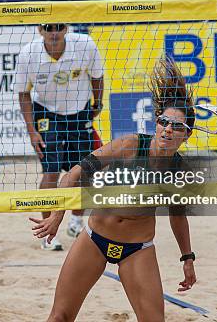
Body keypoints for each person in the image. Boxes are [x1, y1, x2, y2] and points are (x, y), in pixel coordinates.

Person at [30, 57, 201, 321]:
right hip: (95, 239)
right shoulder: (130, 145)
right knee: (60, 317)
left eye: (176, 126)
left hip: (137, 248)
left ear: (186, 134)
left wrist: (187, 257)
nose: (167, 130)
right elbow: (74, 174)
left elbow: (178, 216)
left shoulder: (179, 171)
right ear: (156, 122)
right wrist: (57, 215)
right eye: (163, 122)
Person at [15, 23, 104, 251]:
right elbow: (24, 93)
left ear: (67, 29)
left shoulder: (85, 45)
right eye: (48, 28)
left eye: (59, 27)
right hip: (46, 112)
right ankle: (47, 232)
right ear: (39, 30)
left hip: (79, 110)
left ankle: (76, 220)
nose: (53, 32)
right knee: (51, 171)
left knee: (83, 170)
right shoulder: (29, 54)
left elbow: (97, 76)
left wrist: (98, 103)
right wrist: (32, 131)